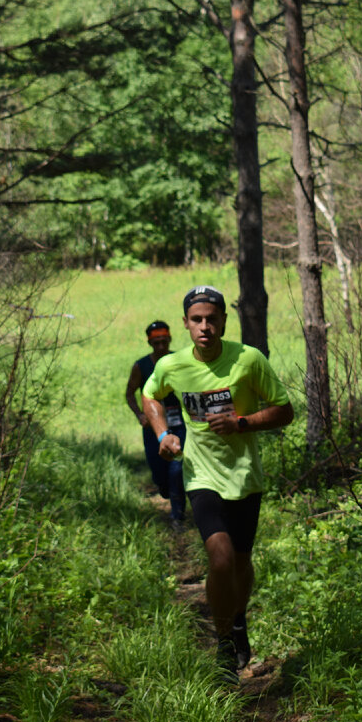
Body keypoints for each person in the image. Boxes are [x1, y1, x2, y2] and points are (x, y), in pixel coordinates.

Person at [141, 286, 294, 682]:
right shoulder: (173, 365)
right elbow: (150, 397)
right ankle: (224, 643)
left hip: (244, 476)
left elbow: (284, 410)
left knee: (241, 563)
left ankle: (238, 620)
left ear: (224, 321)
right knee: (221, 558)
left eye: (212, 319)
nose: (205, 326)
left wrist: (242, 423)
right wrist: (163, 435)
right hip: (201, 475)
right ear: (186, 324)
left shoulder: (248, 359)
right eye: (197, 320)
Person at [125, 320, 187, 526]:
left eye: (164, 341)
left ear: (170, 339)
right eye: (156, 342)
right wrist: (140, 415)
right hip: (152, 426)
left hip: (179, 424)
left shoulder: (180, 360)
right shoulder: (141, 366)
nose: (161, 346)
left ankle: (178, 515)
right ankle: (165, 489)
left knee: (177, 469)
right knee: (159, 471)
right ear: (150, 343)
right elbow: (130, 394)